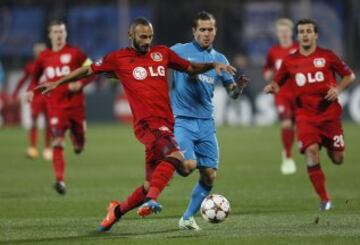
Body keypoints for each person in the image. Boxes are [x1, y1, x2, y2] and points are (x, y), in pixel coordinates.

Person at [36, 17, 236, 232]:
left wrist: (212, 64)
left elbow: (191, 68)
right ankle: (152, 200)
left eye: (150, 36)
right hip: (146, 125)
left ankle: (116, 212)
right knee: (177, 156)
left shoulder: (162, 53)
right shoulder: (119, 58)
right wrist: (58, 82)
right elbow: (88, 70)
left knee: (154, 182)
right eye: (143, 37)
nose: (147, 41)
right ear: (131, 35)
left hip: (166, 124)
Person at [264, 19, 355, 210]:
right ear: (298, 36)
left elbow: (349, 76)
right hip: (305, 117)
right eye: (301, 31)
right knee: (311, 152)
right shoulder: (290, 61)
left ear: (315, 35)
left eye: (308, 31)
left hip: (330, 116)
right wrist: (272, 87)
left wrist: (338, 89)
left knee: (338, 159)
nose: (304, 34)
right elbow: (278, 82)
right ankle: (324, 199)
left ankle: (330, 148)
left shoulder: (328, 56)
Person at [170, 11, 247, 230]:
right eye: (202, 29)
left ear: (215, 31)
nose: (206, 33)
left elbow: (231, 93)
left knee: (210, 175)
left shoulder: (221, 59)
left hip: (206, 123)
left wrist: (238, 87)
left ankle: (186, 218)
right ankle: (166, 156)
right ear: (194, 31)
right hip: (182, 120)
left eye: (210, 29)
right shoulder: (178, 51)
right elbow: (178, 70)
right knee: (187, 167)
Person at [28, 20, 93, 195]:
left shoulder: (76, 53)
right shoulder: (44, 57)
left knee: (79, 147)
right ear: (50, 35)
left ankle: (78, 137)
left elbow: (92, 69)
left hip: (76, 107)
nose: (58, 35)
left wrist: (80, 83)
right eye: (55, 31)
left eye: (61, 31)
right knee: (57, 140)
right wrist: (30, 91)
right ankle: (60, 180)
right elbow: (35, 77)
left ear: (66, 34)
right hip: (55, 107)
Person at [263, 18, 298, 175]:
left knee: (297, 126)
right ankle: (288, 155)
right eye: (280, 31)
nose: (283, 34)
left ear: (291, 32)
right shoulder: (274, 51)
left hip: (299, 93)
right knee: (286, 123)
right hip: (281, 93)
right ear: (277, 34)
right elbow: (267, 68)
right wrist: (267, 74)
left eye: (286, 31)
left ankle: (291, 150)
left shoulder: (299, 48)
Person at [12, 43, 52, 160]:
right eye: (37, 51)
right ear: (35, 53)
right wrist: (15, 92)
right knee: (34, 121)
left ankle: (47, 148)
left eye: (41, 51)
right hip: (36, 97)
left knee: (48, 123)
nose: (39, 53)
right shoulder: (31, 66)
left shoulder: (51, 64)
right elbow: (23, 79)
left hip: (48, 97)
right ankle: (33, 147)